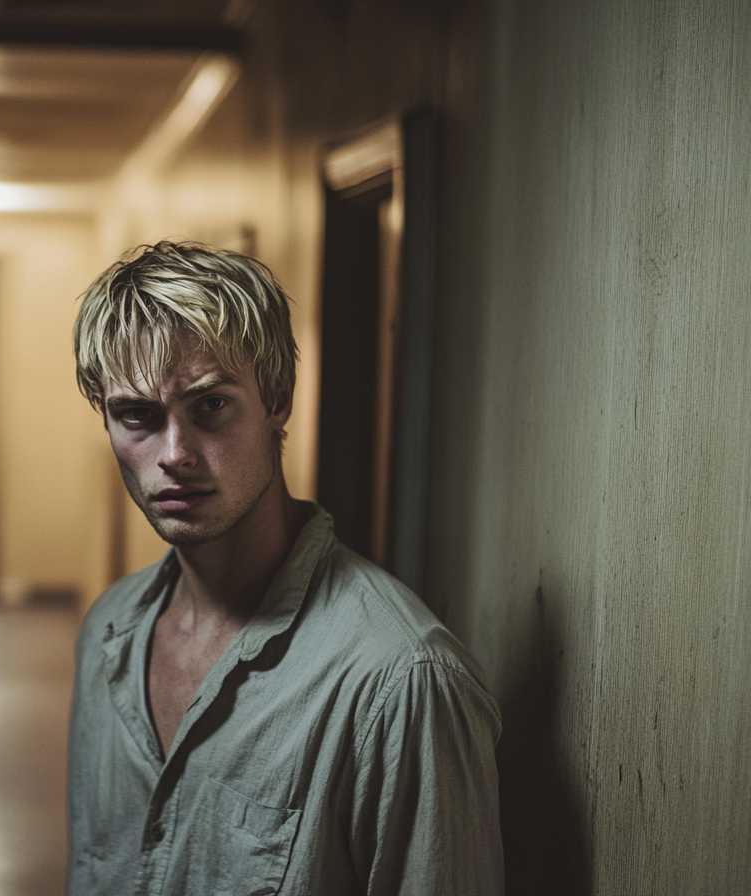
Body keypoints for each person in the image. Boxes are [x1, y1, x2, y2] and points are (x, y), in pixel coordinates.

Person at [67, 241, 504, 896]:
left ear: (278, 399)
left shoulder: (400, 683)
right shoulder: (108, 633)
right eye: (138, 416)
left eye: (211, 405)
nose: (175, 454)